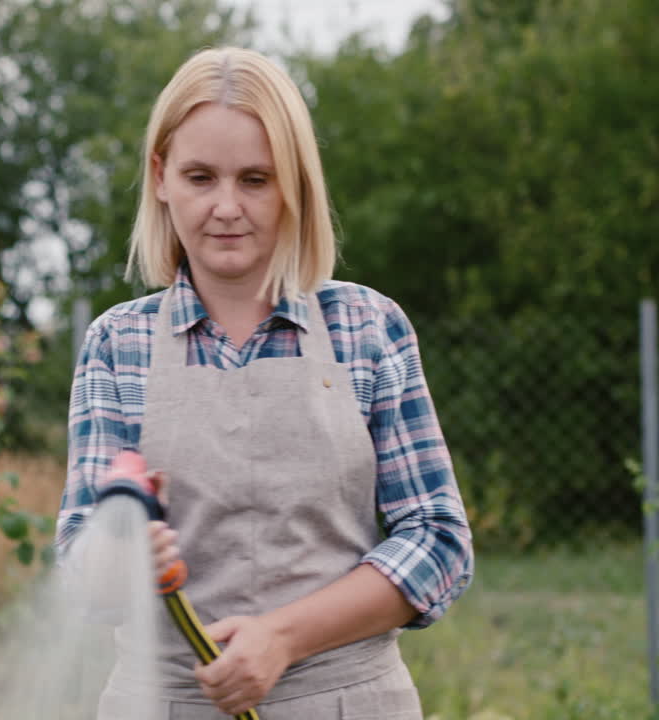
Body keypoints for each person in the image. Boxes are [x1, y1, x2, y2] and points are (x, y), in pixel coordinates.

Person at [56, 47, 474, 719]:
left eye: (256, 178)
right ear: (161, 178)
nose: (226, 207)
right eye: (200, 177)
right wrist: (118, 553)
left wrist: (283, 637)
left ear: (295, 185)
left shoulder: (367, 327)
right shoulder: (117, 344)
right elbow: (81, 570)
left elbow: (439, 543)